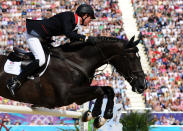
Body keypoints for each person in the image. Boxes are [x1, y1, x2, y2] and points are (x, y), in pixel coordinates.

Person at [7, 4, 96, 97]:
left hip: (43, 38)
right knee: (41, 60)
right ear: (85, 15)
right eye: (90, 18)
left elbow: (74, 40)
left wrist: (88, 45)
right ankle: (15, 81)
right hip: (34, 34)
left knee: (53, 59)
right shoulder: (69, 16)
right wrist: (86, 38)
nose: (90, 21)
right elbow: (68, 33)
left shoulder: (75, 24)